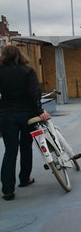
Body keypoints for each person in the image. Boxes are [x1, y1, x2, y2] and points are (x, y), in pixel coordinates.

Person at [0, 45, 51, 201]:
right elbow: (34, 93)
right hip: (27, 115)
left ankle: (7, 190)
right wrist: (40, 111)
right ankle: (24, 179)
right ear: (19, 55)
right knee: (25, 146)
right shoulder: (27, 71)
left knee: (10, 151)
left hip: (6, 115)